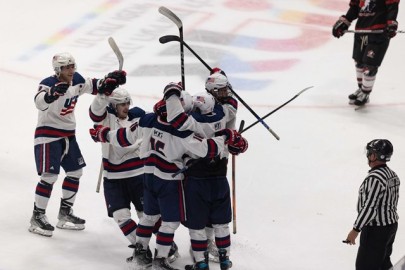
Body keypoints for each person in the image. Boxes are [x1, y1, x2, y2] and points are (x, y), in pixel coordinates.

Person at [90, 82, 247, 270]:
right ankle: (160, 259)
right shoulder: (182, 133)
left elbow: (123, 137)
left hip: (147, 177)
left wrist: (103, 134)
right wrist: (227, 137)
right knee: (170, 222)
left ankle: (140, 252)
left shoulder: (148, 120)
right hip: (168, 182)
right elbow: (208, 149)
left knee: (149, 216)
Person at [30, 52, 126, 237]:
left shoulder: (77, 80)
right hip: (48, 134)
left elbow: (97, 85)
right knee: (49, 176)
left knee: (75, 172)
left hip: (68, 134)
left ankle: (65, 212)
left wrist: (111, 80)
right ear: (58, 70)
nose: (71, 70)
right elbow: (39, 101)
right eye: (67, 67)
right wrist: (51, 95)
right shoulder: (48, 83)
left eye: (73, 66)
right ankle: (37, 215)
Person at [166, 71, 245, 270]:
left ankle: (201, 260)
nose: (227, 93)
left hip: (196, 170)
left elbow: (177, 118)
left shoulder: (190, 120)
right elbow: (232, 104)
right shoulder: (226, 111)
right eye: (223, 90)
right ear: (213, 94)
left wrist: (175, 94)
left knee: (197, 221)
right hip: (218, 166)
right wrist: (229, 137)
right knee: (218, 216)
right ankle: (223, 256)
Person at [89, 87, 146, 245]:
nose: (126, 107)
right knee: (120, 216)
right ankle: (141, 250)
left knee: (148, 216)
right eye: (121, 104)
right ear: (114, 105)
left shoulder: (139, 116)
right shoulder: (106, 118)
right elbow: (94, 111)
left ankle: (168, 248)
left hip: (138, 175)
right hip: (113, 178)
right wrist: (102, 93)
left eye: (127, 103)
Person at [343, 139, 400, 270]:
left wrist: (356, 230)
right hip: (390, 226)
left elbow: (370, 207)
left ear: (375, 156)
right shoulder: (393, 175)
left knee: (365, 266)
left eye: (370, 152)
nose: (368, 155)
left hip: (376, 230)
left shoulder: (374, 178)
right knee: (383, 262)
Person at [332, 0, 400, 107]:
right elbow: (355, 7)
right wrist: (345, 22)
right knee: (359, 62)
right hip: (361, 31)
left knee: (370, 66)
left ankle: (366, 93)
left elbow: (392, 6)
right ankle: (361, 89)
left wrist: (391, 23)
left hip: (378, 33)